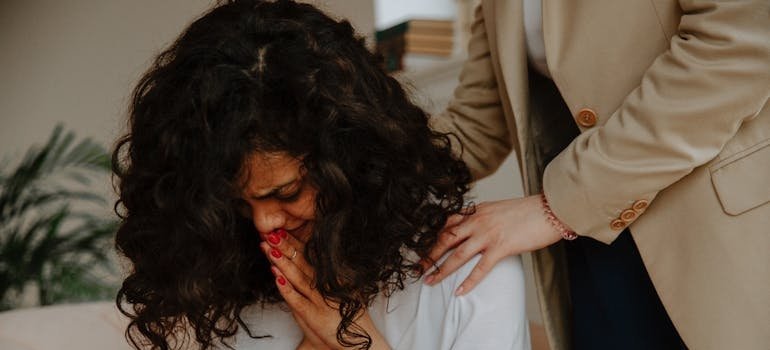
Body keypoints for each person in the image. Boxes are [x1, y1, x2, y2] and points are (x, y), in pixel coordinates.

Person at [111, 1, 530, 349]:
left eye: (288, 192)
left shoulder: (470, 272)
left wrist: (354, 340)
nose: (264, 222)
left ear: (352, 162)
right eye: (240, 204)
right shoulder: (233, 276)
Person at [423, 1, 770, 349]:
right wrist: (375, 150)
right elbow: (475, 125)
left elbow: (738, 43)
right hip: (597, 236)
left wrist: (557, 206)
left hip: (715, 223)